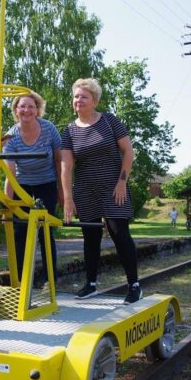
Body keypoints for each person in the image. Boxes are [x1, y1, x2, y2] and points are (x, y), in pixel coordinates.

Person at [60, 78, 143, 304]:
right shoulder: (69, 130)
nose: (78, 100)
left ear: (94, 100)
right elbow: (66, 166)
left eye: (83, 97)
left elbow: (128, 151)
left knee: (119, 233)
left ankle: (134, 284)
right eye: (76, 97)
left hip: (113, 187)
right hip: (86, 190)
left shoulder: (109, 121)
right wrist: (68, 198)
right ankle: (91, 284)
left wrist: (122, 182)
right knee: (90, 237)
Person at [3, 91, 62, 285]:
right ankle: (20, 281)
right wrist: (6, 206)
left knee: (45, 231)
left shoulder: (48, 129)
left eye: (31, 106)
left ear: (37, 110)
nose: (26, 110)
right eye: (22, 106)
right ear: (16, 110)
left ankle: (50, 280)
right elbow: (10, 174)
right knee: (20, 232)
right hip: (23, 184)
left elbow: (59, 160)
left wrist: (62, 193)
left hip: (47, 182)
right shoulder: (11, 137)